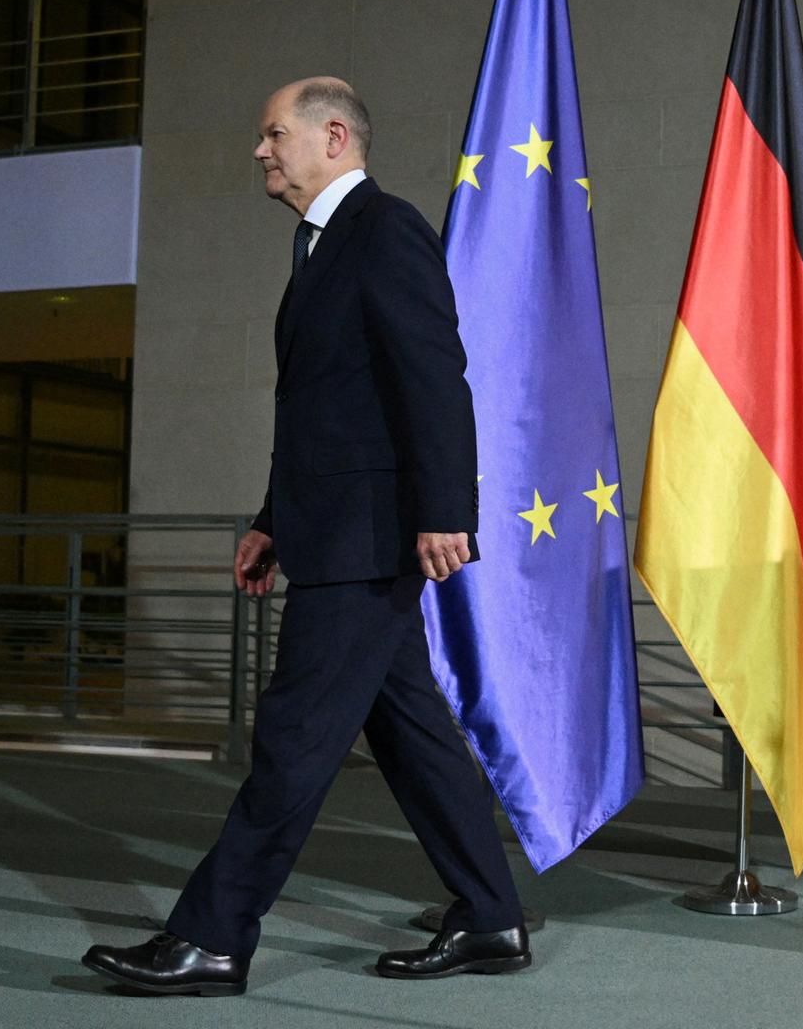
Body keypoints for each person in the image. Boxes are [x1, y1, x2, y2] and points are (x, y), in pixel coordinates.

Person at [81, 77, 529, 996]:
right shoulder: (316, 243)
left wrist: (449, 508)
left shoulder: (385, 228)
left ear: (333, 136)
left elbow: (434, 377)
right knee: (412, 736)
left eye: (272, 134)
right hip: (334, 531)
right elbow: (329, 411)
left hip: (369, 542)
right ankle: (490, 918)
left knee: (292, 738)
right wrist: (274, 522)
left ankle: (211, 937)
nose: (260, 151)